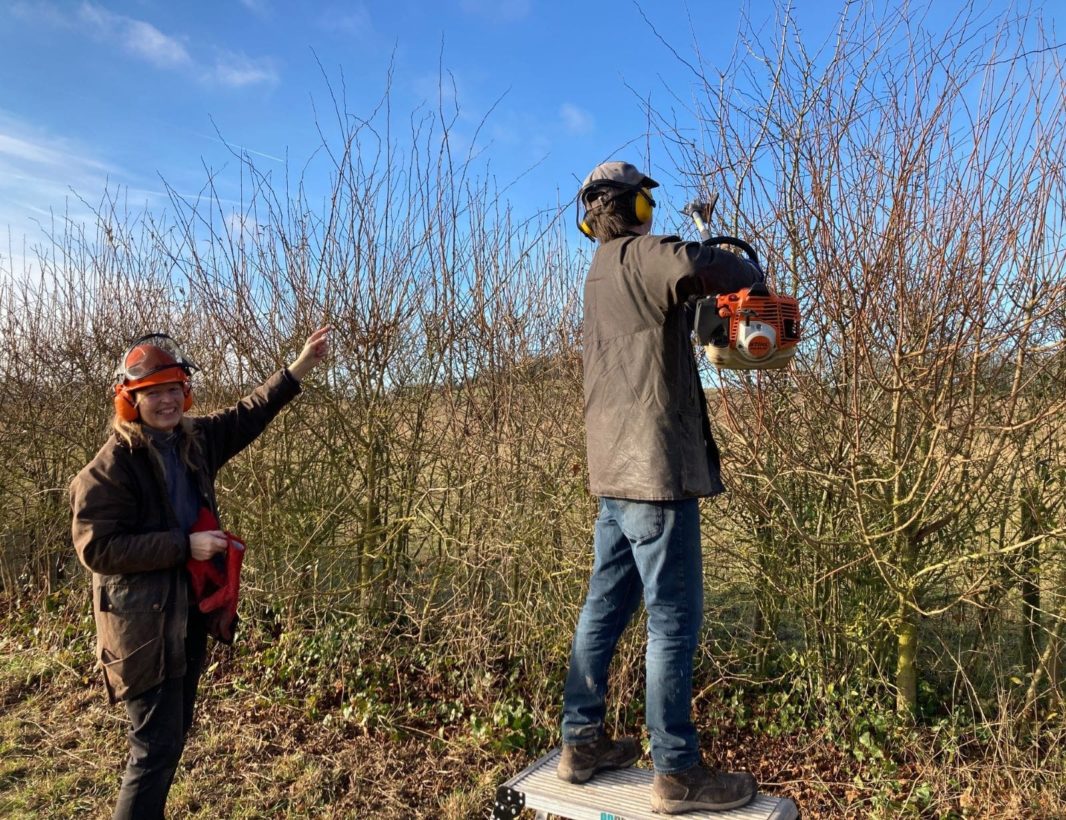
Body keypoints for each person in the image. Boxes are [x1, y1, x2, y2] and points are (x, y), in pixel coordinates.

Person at [558, 161, 759, 814]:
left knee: (603, 610)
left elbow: (680, 312)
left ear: (591, 218)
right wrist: (743, 272)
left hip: (613, 475)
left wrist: (702, 311)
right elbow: (707, 270)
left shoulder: (598, 274)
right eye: (647, 202)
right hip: (656, 476)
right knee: (672, 622)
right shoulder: (646, 254)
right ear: (638, 208)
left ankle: (580, 744)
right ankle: (676, 772)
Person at [70, 326, 330, 820]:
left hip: (187, 616)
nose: (167, 402)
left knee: (171, 739)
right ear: (130, 400)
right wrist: (182, 546)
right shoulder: (108, 470)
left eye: (174, 390)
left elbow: (248, 414)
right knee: (152, 751)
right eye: (153, 394)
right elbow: (97, 548)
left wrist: (299, 367)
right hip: (142, 631)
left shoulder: (192, 441)